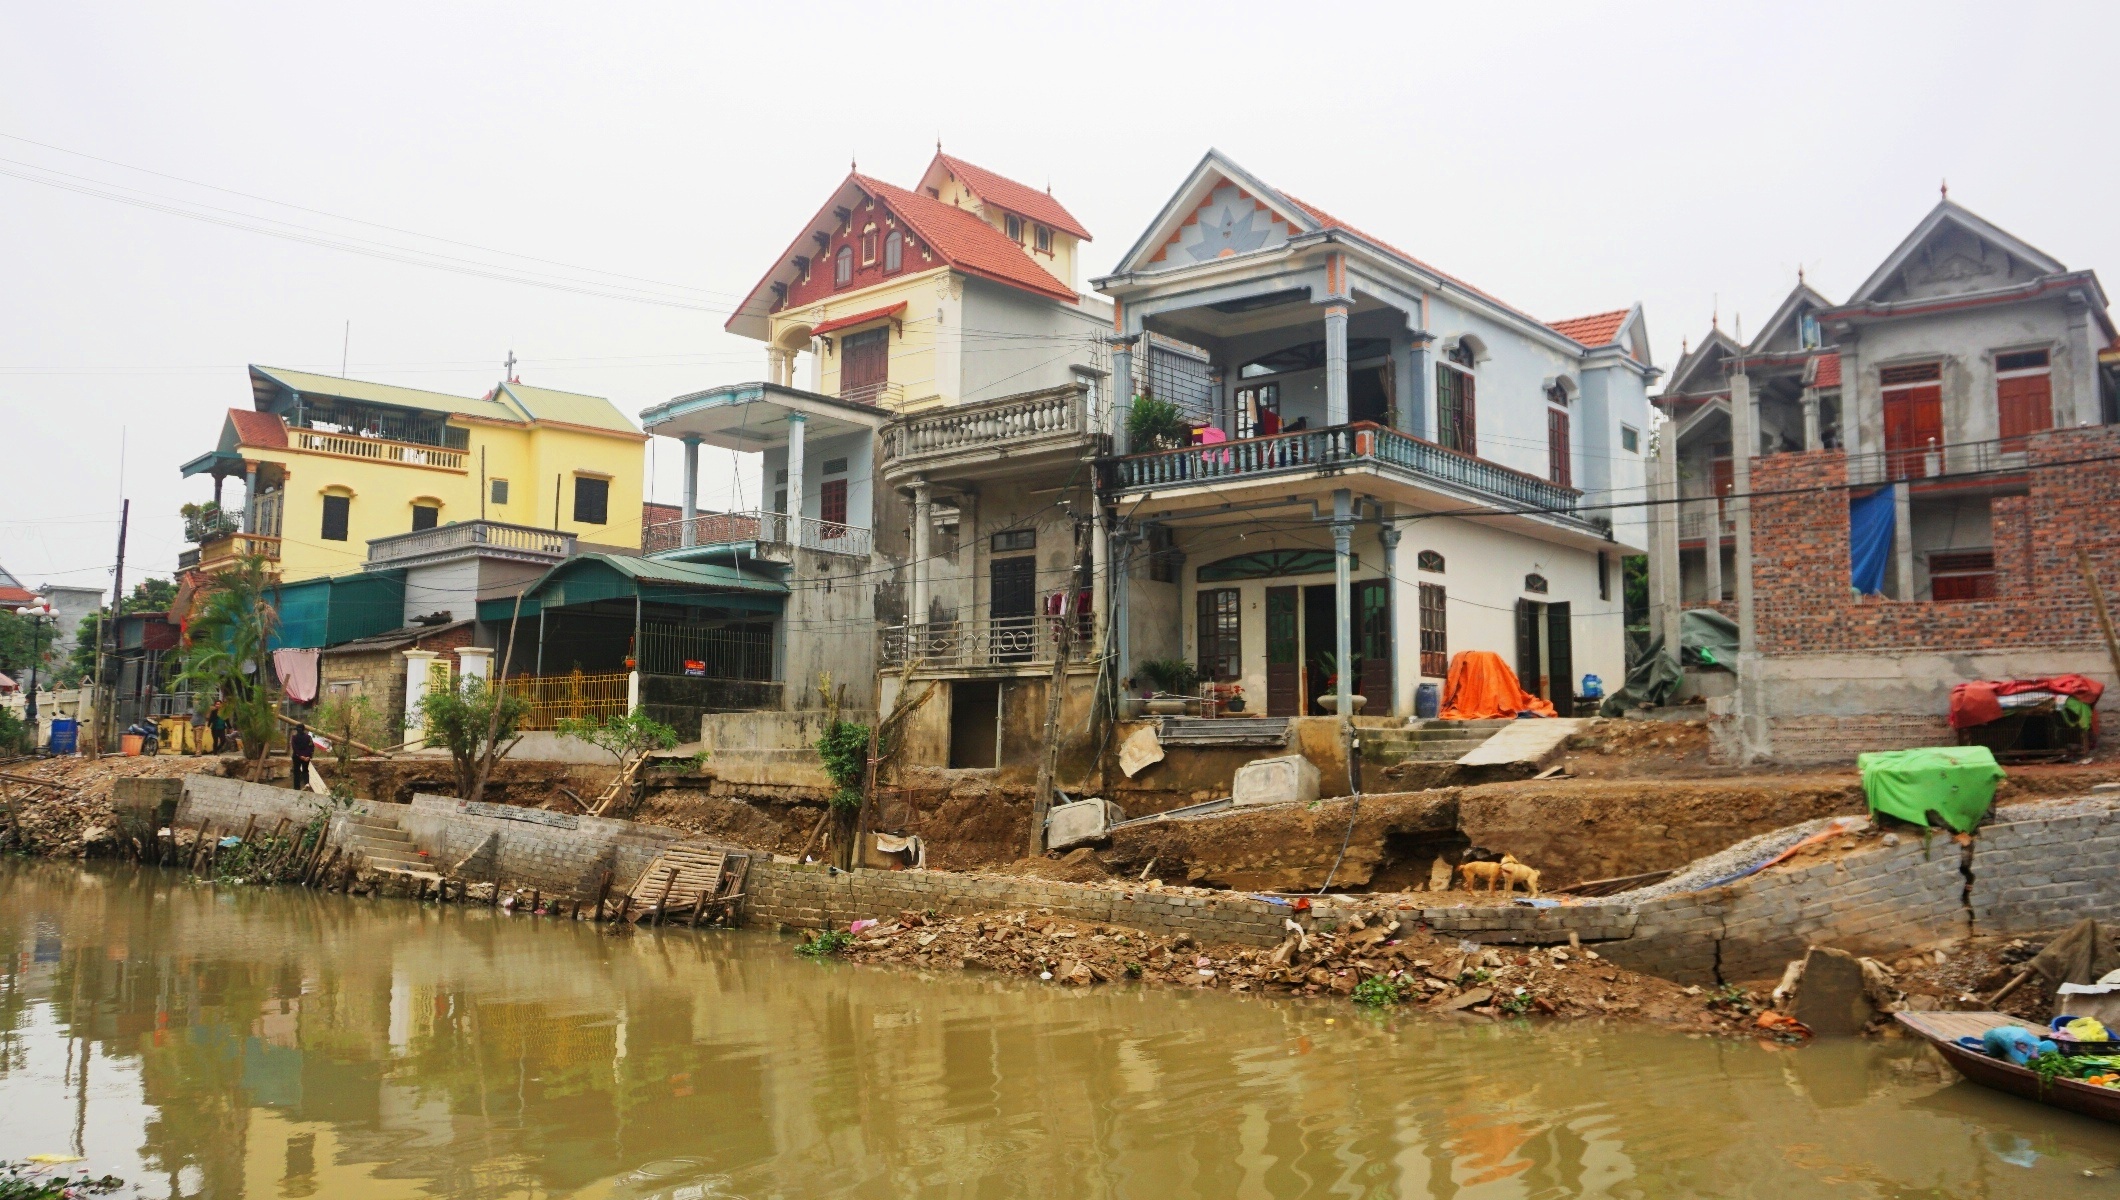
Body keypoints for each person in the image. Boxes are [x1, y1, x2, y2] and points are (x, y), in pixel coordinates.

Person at [289, 722, 314, 791]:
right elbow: (311, 747)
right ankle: (306, 783)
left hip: (297, 757)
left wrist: (300, 755)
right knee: (305, 770)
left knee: (296, 771)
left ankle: (297, 787)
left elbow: (294, 747)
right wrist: (308, 756)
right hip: (306, 757)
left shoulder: (294, 737)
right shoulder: (308, 737)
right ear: (304, 729)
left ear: (296, 729)